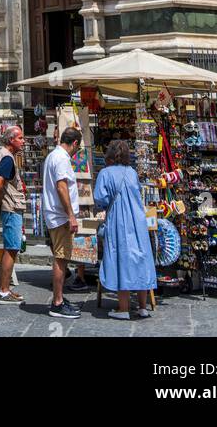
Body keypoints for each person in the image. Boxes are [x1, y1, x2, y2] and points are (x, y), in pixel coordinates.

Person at [93, 139, 156, 319]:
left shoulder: (105, 173)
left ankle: (123, 308)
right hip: (137, 220)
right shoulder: (132, 172)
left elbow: (101, 198)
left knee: (121, 258)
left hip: (119, 220)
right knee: (140, 258)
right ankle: (143, 307)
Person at [43, 126, 82, 319]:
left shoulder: (53, 156)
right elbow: (61, 187)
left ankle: (59, 298)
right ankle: (57, 302)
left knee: (62, 257)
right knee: (61, 257)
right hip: (60, 216)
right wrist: (71, 216)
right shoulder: (62, 159)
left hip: (56, 214)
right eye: (78, 147)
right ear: (74, 143)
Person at [0, 125, 26, 306]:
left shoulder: (2, 154)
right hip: (11, 206)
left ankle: (5, 288)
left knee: (10, 248)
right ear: (11, 140)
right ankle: (3, 291)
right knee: (11, 249)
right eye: (20, 138)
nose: (23, 141)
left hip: (8, 205)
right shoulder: (7, 158)